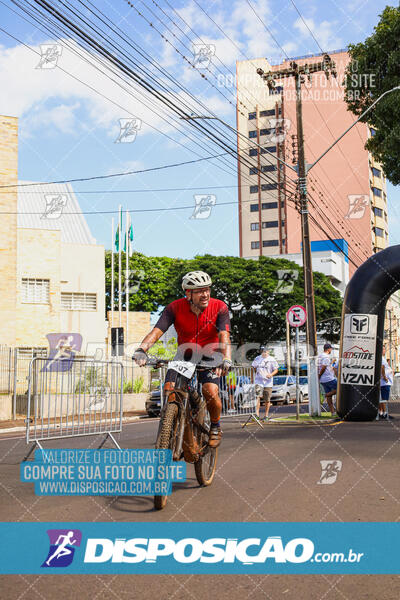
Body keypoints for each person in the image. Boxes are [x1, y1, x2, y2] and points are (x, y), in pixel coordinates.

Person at [133, 271, 231, 448]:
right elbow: (157, 331)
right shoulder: (174, 308)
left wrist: (227, 359)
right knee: (170, 389)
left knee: (210, 391)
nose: (205, 294)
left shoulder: (220, 307)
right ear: (188, 293)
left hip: (211, 355)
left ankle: (215, 426)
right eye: (199, 291)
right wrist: (142, 349)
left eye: (207, 289)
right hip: (184, 355)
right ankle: (172, 424)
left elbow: (224, 334)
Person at [251, 346, 279, 421]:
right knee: (257, 397)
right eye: (263, 351)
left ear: (268, 352)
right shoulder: (257, 358)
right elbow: (253, 367)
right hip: (258, 381)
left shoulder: (272, 359)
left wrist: (271, 374)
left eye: (265, 351)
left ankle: (266, 415)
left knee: (267, 399)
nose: (264, 352)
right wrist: (255, 375)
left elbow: (276, 370)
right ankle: (256, 414)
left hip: (268, 383)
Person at [318, 343, 336, 416]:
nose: (331, 350)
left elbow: (326, 365)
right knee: (341, 389)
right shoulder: (326, 357)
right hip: (329, 378)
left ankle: (332, 412)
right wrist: (319, 375)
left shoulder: (320, 356)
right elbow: (324, 367)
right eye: (331, 348)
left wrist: (332, 362)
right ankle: (325, 394)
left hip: (323, 380)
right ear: (328, 349)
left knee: (329, 397)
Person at [379, 346, 394, 420]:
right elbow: (382, 367)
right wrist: (384, 377)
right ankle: (385, 413)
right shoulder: (381, 358)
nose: (385, 350)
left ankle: (381, 412)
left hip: (384, 382)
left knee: (382, 399)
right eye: (384, 349)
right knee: (384, 399)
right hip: (384, 382)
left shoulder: (382, 358)